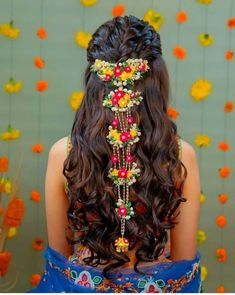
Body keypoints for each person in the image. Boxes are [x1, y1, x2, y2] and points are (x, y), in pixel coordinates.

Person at [28, 15, 202, 293]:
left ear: (95, 82)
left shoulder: (63, 154)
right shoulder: (180, 156)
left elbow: (60, 265)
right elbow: (182, 269)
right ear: (157, 82)